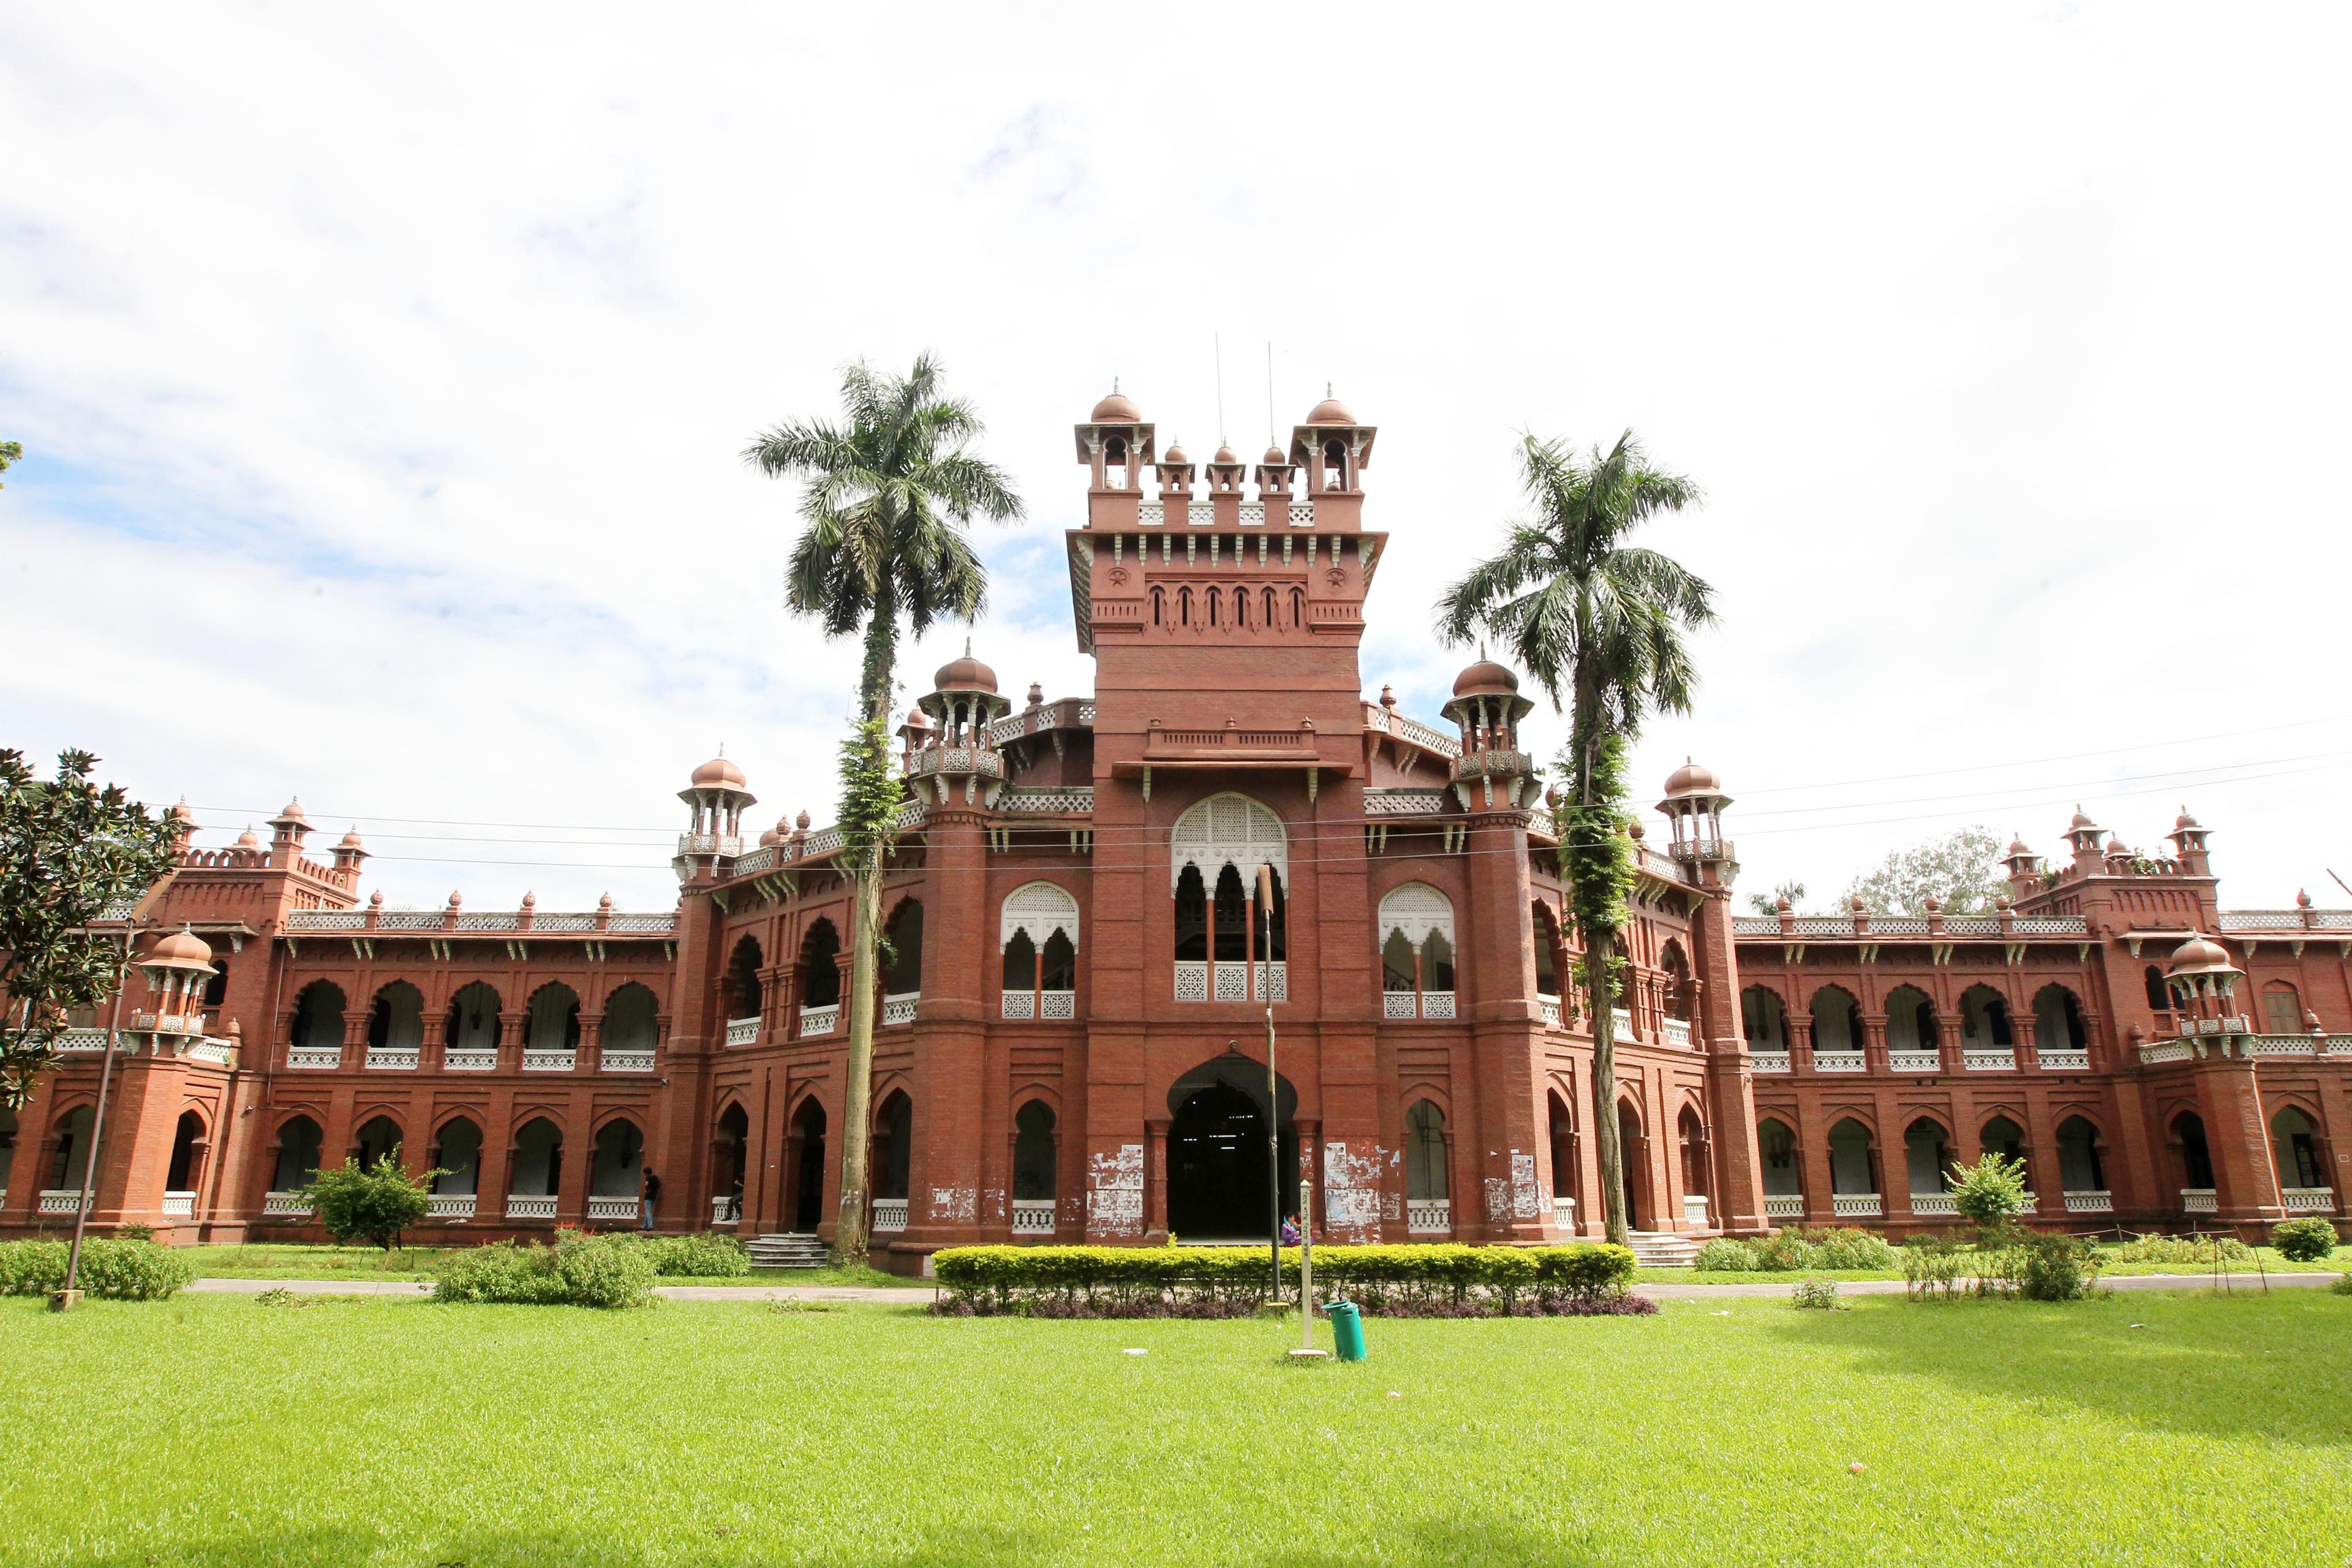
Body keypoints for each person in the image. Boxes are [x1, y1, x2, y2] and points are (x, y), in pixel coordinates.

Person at [641, 1167, 661, 1232]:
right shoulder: (656, 1178)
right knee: (648, 1211)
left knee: (648, 1211)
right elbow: (658, 1186)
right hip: (654, 1196)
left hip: (648, 1197)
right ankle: (645, 1226)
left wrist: (648, 1190)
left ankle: (650, 1226)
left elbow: (647, 1186)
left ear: (646, 1173)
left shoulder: (648, 1178)